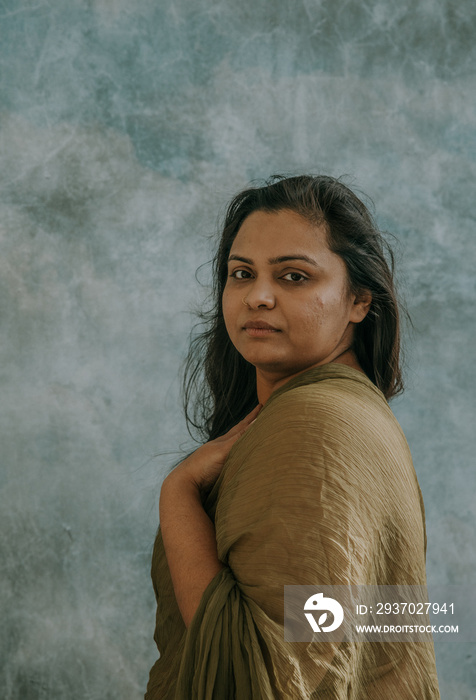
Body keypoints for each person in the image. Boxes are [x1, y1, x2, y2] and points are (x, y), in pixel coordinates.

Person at [145, 175, 440, 699]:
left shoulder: (315, 422)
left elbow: (251, 674)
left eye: (294, 276)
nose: (258, 296)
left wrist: (179, 490)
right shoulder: (341, 410)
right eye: (241, 274)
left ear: (358, 300)